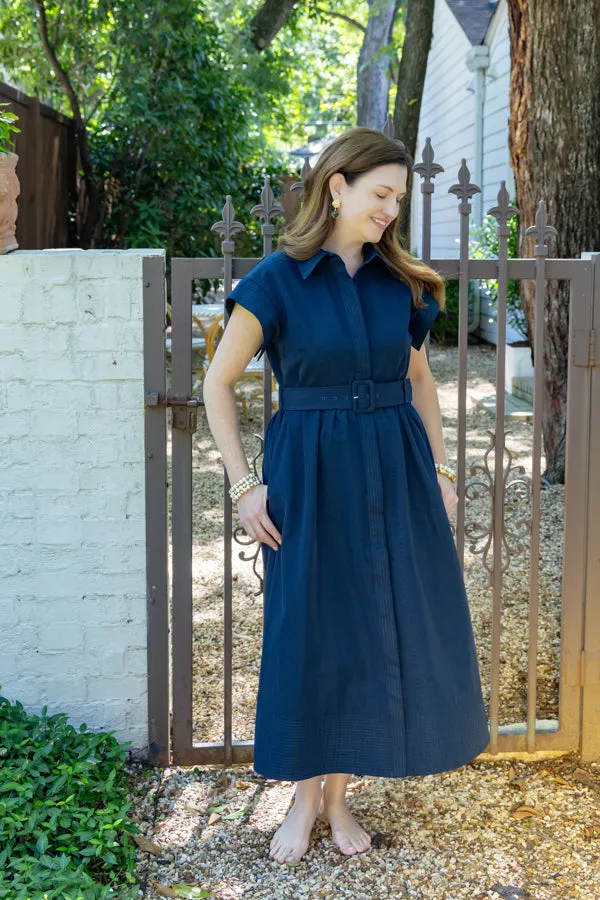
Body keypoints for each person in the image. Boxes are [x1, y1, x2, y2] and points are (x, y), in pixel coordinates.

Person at [203, 127, 490, 867]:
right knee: (311, 630)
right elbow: (218, 383)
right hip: (309, 473)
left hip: (395, 469)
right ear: (338, 188)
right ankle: (305, 797)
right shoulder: (275, 280)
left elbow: (422, 383)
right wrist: (244, 484)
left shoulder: (400, 284)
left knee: (377, 625)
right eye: (380, 194)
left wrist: (441, 472)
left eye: (400, 197)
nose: (392, 209)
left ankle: (338, 799)